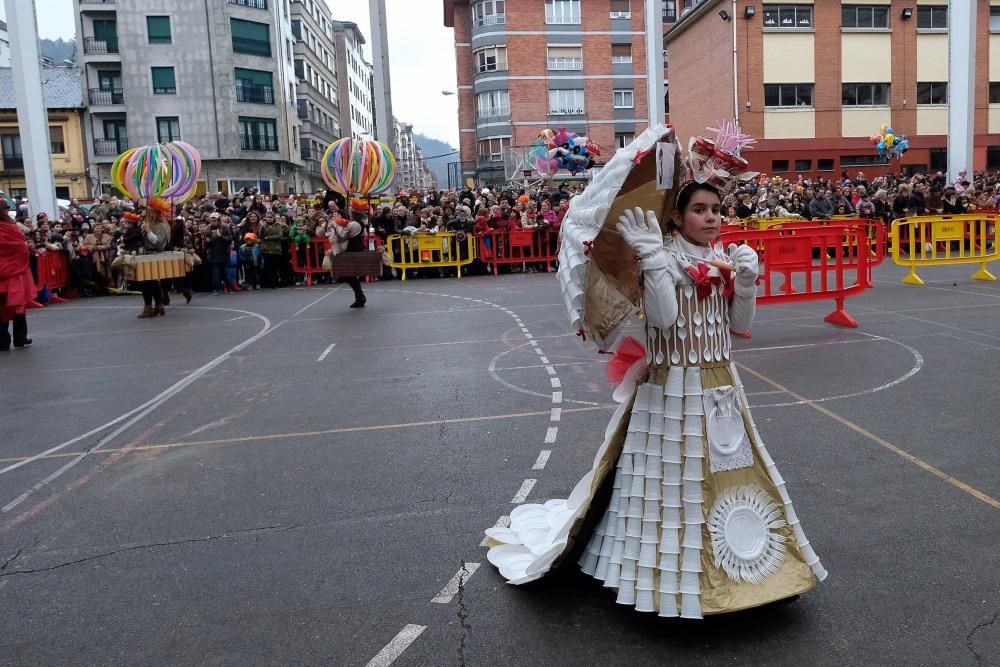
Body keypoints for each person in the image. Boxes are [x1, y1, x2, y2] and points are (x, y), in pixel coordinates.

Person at [482, 125, 826, 618]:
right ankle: (671, 582)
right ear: (679, 216)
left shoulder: (724, 258)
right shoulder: (659, 255)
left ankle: (751, 573)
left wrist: (746, 282)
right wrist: (650, 257)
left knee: (733, 476)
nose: (710, 218)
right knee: (669, 487)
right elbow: (662, 319)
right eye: (699, 210)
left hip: (721, 386)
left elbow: (739, 326)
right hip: (671, 389)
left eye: (715, 210)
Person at [0, 199, 35, 350]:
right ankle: (20, 339)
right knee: (18, 306)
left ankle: (2, 342)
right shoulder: (10, 226)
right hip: (15, 273)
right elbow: (20, 246)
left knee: (0, 307)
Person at [328, 199, 369, 308]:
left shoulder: (355, 224)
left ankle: (360, 297)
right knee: (349, 275)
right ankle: (360, 297)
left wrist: (334, 225)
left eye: (350, 211)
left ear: (354, 213)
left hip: (353, 251)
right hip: (353, 250)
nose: (349, 212)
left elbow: (342, 236)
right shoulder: (358, 223)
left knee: (349, 275)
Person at [136, 201, 171, 318]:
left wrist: (148, 231)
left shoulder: (160, 226)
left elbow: (159, 244)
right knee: (148, 282)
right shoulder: (147, 225)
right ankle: (158, 305)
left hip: (155, 256)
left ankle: (150, 306)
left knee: (148, 282)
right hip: (146, 256)